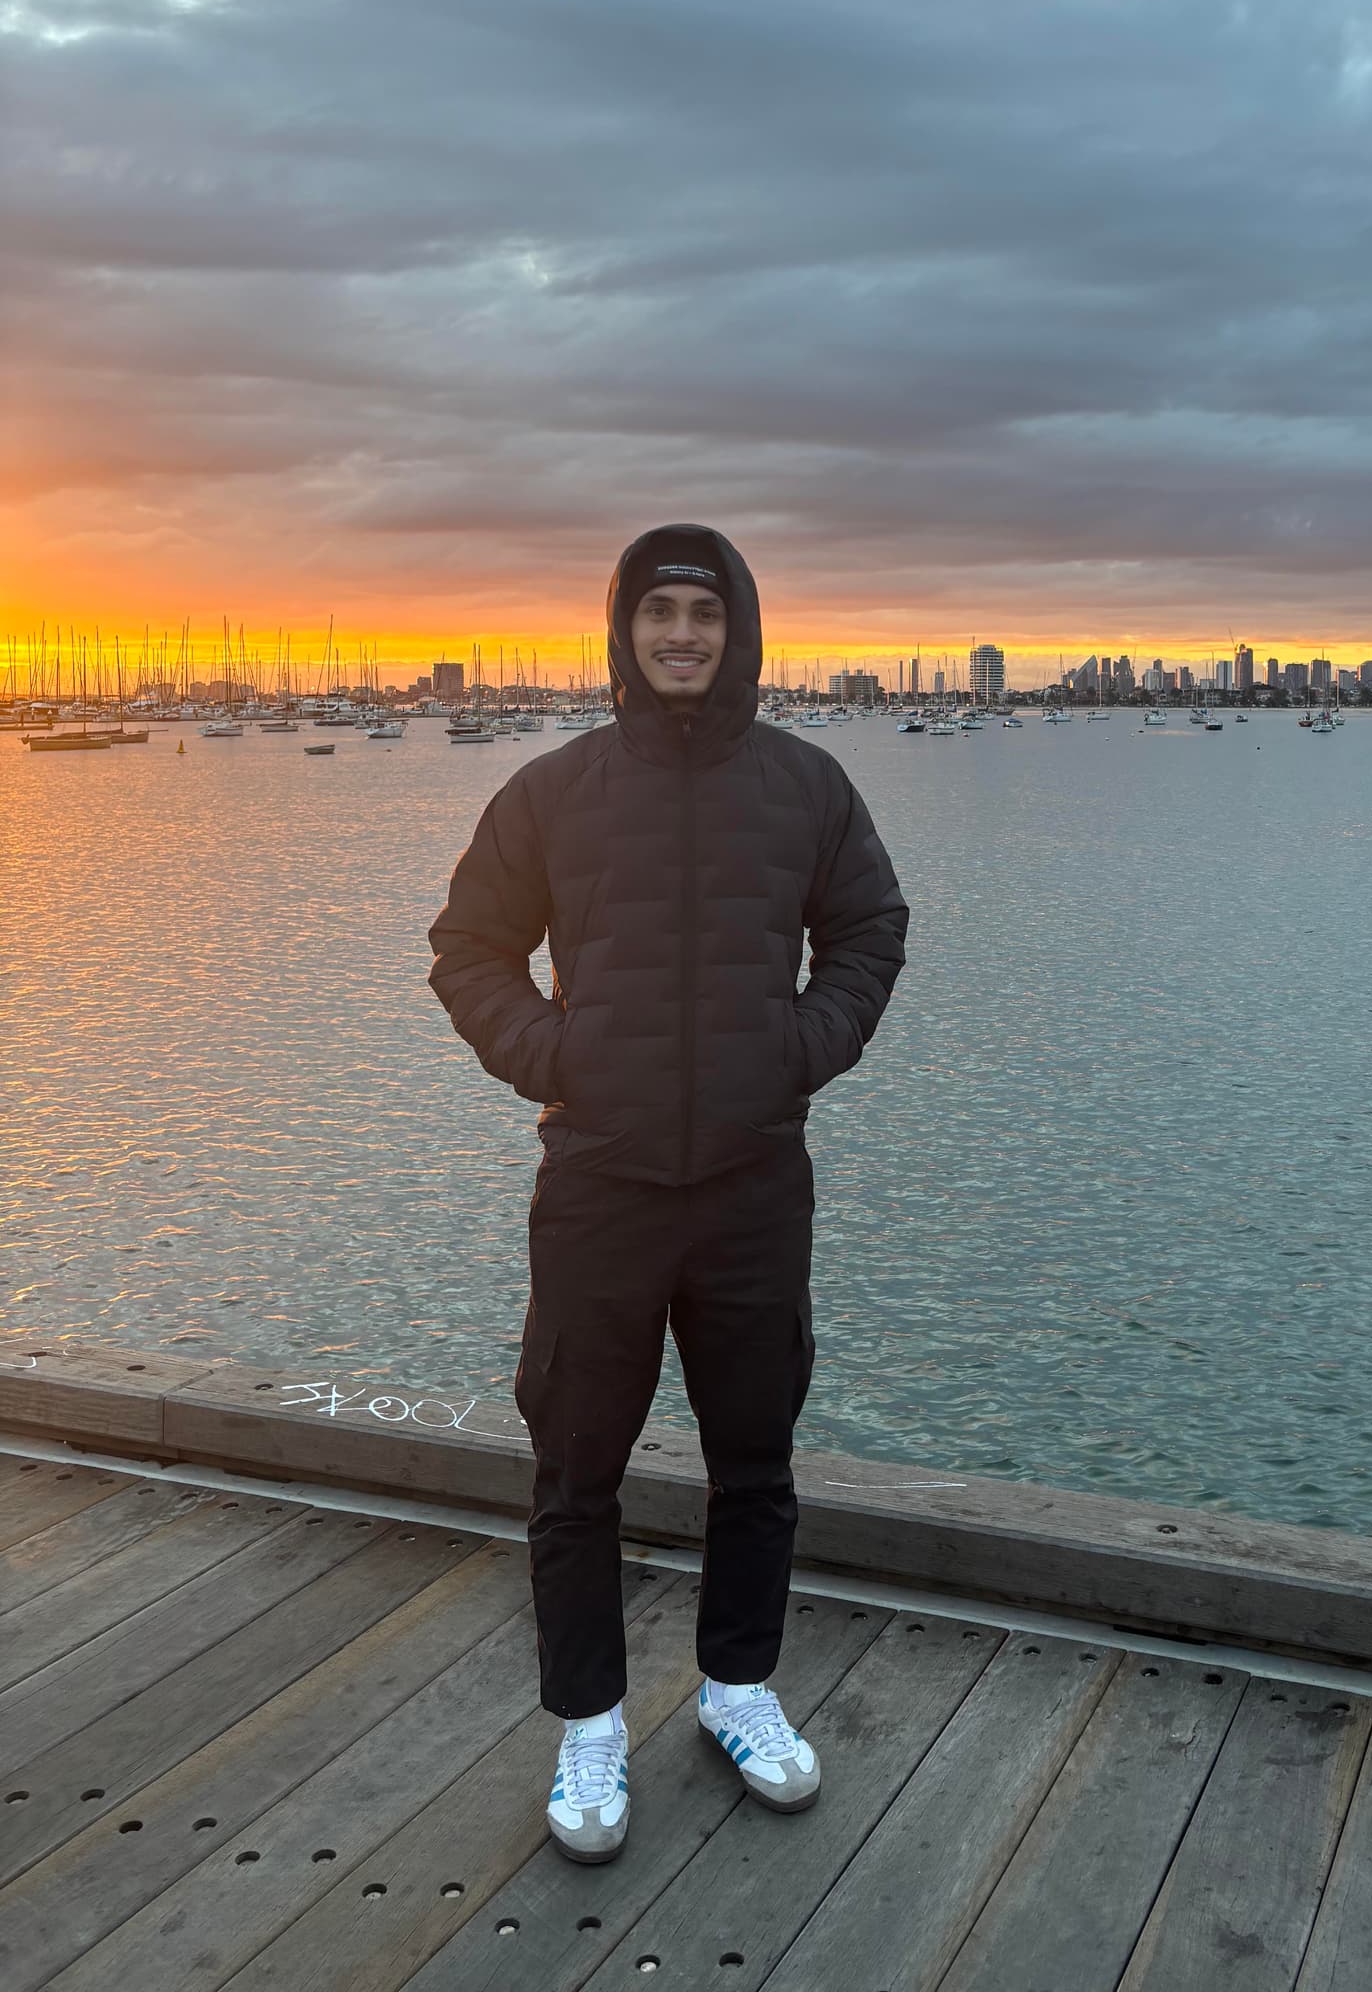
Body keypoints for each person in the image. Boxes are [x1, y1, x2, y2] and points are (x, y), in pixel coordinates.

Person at [427, 523, 909, 1861]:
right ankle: (589, 1717)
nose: (682, 634)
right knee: (577, 1468)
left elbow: (872, 932)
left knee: (755, 1460)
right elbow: (468, 950)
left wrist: (795, 1053)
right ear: (625, 632)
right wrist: (556, 1056)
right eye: (659, 613)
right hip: (600, 1185)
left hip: (756, 1184)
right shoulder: (555, 791)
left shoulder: (807, 786)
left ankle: (739, 1687)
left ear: (738, 626)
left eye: (704, 611)